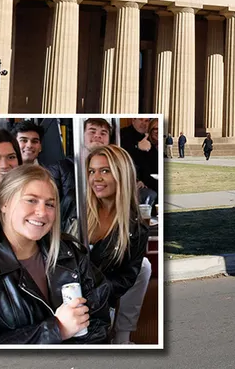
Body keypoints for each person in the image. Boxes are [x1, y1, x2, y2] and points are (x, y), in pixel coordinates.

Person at [0, 165, 112, 344]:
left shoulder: (69, 254)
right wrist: (56, 329)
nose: (42, 212)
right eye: (31, 200)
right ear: (4, 204)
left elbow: (99, 323)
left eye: (50, 204)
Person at [85, 145, 151, 345]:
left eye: (105, 171)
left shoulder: (135, 229)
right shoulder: (75, 208)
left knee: (144, 267)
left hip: (99, 302)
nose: (96, 178)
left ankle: (122, 337)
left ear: (122, 175)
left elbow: (125, 279)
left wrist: (93, 293)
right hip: (61, 297)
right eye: (92, 171)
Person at [47, 118, 113, 235]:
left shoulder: (115, 169)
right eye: (92, 131)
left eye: (103, 133)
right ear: (81, 136)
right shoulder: (60, 168)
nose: (98, 136)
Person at [119, 118, 158, 194]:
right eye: (140, 119)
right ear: (133, 120)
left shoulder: (147, 139)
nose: (143, 123)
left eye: (146, 121)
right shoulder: (122, 134)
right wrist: (137, 146)